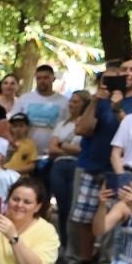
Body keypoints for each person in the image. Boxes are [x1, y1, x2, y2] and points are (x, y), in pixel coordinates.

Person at [67, 60, 132, 264]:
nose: (127, 74)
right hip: (91, 163)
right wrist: (94, 101)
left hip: (120, 167)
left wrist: (117, 109)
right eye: (124, 70)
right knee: (82, 217)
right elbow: (83, 129)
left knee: (113, 218)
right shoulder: (101, 98)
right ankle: (83, 261)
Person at [47, 90, 87, 252]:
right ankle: (63, 245)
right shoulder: (61, 124)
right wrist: (67, 148)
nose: (71, 104)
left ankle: (74, 249)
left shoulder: (86, 124)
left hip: (77, 167)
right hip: (59, 166)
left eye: (76, 102)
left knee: (73, 208)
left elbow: (82, 150)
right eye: (71, 101)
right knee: (62, 207)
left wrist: (62, 145)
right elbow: (52, 148)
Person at [14, 63, 69, 159]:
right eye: (39, 78)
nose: (42, 81)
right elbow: (13, 123)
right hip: (26, 151)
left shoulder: (64, 101)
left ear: (53, 79)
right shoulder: (25, 99)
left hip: (52, 153)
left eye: (46, 78)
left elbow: (68, 126)